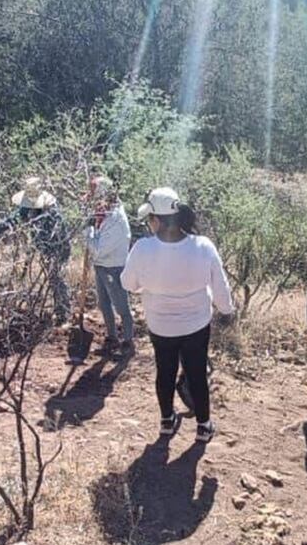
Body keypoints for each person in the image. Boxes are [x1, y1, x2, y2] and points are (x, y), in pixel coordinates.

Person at [121, 187, 234, 443]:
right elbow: (220, 285)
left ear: (157, 220)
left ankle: (166, 421)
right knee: (196, 373)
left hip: (161, 326)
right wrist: (227, 311)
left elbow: (128, 284)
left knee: (165, 371)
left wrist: (147, 283)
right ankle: (204, 425)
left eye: (150, 218)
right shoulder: (202, 246)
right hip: (196, 324)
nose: (149, 223)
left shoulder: (142, 249)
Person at [0, 177, 71, 324]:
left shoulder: (52, 213)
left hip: (58, 249)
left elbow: (59, 236)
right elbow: (14, 218)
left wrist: (52, 255)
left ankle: (63, 313)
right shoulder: (27, 208)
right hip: (42, 248)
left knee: (56, 279)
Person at [84, 176, 134, 356]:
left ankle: (128, 341)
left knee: (121, 307)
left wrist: (87, 230)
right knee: (104, 304)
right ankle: (112, 338)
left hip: (113, 267)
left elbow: (97, 250)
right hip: (101, 266)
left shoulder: (116, 219)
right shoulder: (104, 213)